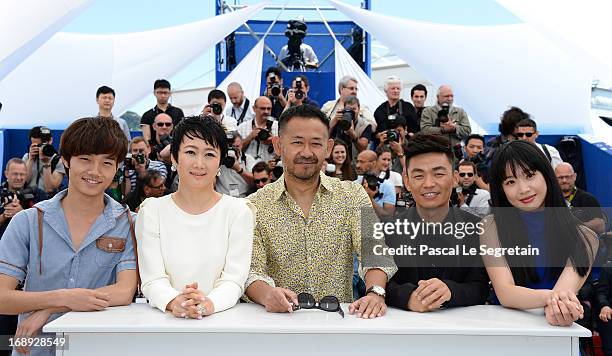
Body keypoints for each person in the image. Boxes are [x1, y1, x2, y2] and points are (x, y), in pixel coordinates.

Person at [0, 117, 137, 356]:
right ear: (65, 160)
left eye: (107, 162)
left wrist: (52, 306)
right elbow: (2, 297)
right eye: (85, 159)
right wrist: (61, 297)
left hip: (96, 348)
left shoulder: (129, 223)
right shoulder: (29, 221)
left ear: (117, 168)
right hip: (36, 348)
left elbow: (124, 291)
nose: (95, 171)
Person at [245, 105, 397, 319]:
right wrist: (267, 294)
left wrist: (375, 292)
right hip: (278, 325)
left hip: (338, 326)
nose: (306, 152)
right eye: (297, 142)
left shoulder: (352, 195)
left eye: (316, 143)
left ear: (328, 147)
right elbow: (251, 270)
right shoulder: (254, 205)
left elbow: (374, 251)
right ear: (278, 145)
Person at [136, 116, 254, 318]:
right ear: (174, 157)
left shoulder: (238, 211)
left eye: (209, 154)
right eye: (190, 152)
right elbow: (152, 279)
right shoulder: (152, 212)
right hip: (164, 325)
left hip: (221, 323)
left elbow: (234, 279)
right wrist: (175, 302)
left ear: (220, 163)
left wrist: (209, 303)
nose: (199, 164)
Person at [482, 140, 598, 326]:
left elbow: (563, 297)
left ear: (546, 175)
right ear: (501, 189)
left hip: (557, 330)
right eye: (510, 181)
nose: (523, 189)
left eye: (530, 175)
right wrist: (555, 300)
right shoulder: (491, 227)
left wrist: (560, 305)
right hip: (506, 329)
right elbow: (506, 293)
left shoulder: (586, 237)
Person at [385, 134, 489, 312]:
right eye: (418, 176)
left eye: (439, 174)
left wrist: (451, 291)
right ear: (407, 182)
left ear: (455, 177)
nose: (429, 183)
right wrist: (408, 297)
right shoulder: (387, 230)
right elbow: (378, 285)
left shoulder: (478, 229)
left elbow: (481, 287)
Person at [0, 159, 48, 236]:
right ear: (6, 174)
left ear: (26, 175)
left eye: (22, 174)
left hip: (27, 244)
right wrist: (4, 216)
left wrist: (22, 213)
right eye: (15, 174)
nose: (19, 178)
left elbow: (47, 223)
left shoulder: (38, 194)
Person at [555, 162, 606, 235]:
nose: (564, 180)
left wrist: (576, 226)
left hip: (582, 243)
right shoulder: (550, 199)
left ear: (574, 177)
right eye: (560, 177)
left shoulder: (588, 199)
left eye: (567, 177)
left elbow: (600, 226)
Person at [329, 95, 376, 161]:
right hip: (337, 160)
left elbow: (363, 148)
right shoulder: (337, 121)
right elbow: (325, 138)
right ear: (344, 109)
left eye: (354, 109)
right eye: (349, 109)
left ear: (359, 109)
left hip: (355, 162)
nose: (351, 112)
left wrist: (352, 133)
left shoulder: (365, 125)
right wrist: (333, 122)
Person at [22, 126, 66, 195]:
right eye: (35, 145)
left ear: (50, 140)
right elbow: (23, 182)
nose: (39, 148)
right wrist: (31, 159)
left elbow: (50, 189)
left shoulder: (58, 161)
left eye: (41, 145)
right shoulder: (27, 157)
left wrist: (46, 163)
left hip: (46, 201)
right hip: (28, 198)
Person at [373, 76, 419, 141]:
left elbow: (415, 129)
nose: (396, 91)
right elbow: (375, 133)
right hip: (385, 145)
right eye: (393, 88)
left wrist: (408, 134)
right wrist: (379, 135)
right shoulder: (380, 110)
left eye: (398, 88)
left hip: (406, 145)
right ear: (386, 91)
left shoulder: (408, 107)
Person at [237, 96, 278, 165]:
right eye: (263, 108)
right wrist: (250, 137)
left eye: (269, 109)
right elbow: (237, 151)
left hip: (269, 169)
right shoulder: (243, 127)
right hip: (248, 169)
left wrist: (273, 142)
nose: (266, 111)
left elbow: (285, 151)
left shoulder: (278, 127)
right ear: (254, 108)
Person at [355, 150, 396, 218]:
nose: (357, 165)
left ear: (373, 163)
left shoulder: (388, 186)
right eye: (357, 161)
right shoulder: (355, 183)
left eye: (362, 162)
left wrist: (370, 199)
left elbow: (388, 216)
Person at [215, 131, 256, 198]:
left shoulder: (248, 159)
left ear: (242, 144)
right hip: (222, 198)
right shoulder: (218, 160)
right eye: (229, 147)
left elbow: (255, 181)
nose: (232, 150)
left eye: (236, 146)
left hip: (242, 197)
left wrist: (239, 169)